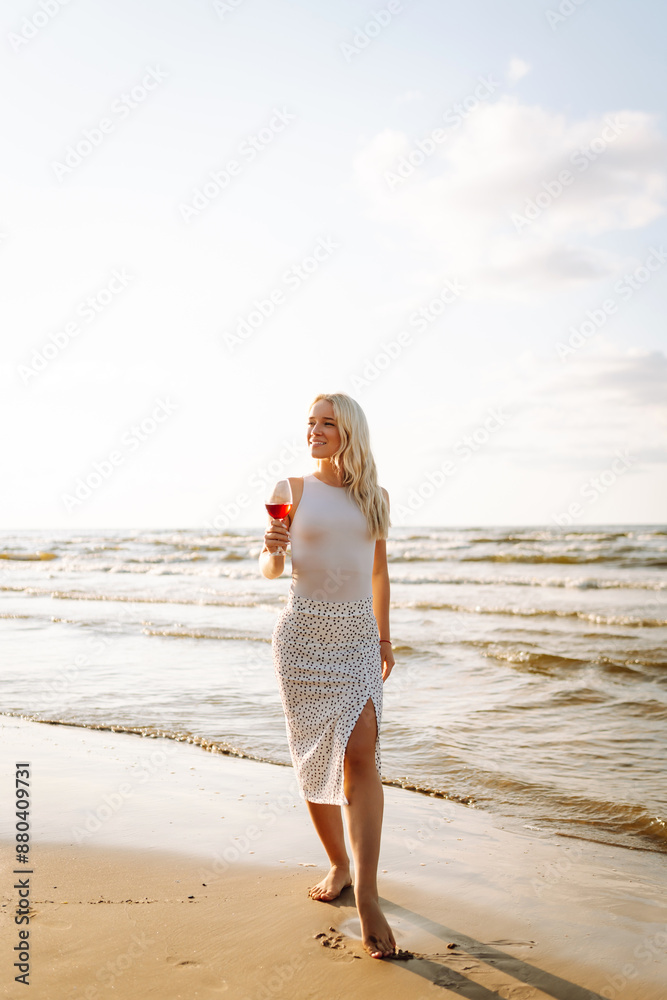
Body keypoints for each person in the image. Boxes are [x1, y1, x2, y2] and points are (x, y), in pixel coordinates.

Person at [259, 392, 397, 960]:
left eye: (327, 423)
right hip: (303, 634)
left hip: (358, 637)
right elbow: (270, 569)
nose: (314, 431)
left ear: (350, 432)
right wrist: (271, 551)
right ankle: (338, 864)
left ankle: (366, 891)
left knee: (361, 754)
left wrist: (385, 638)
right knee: (315, 754)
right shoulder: (290, 490)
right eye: (310, 423)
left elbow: (380, 571)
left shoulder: (376, 497)